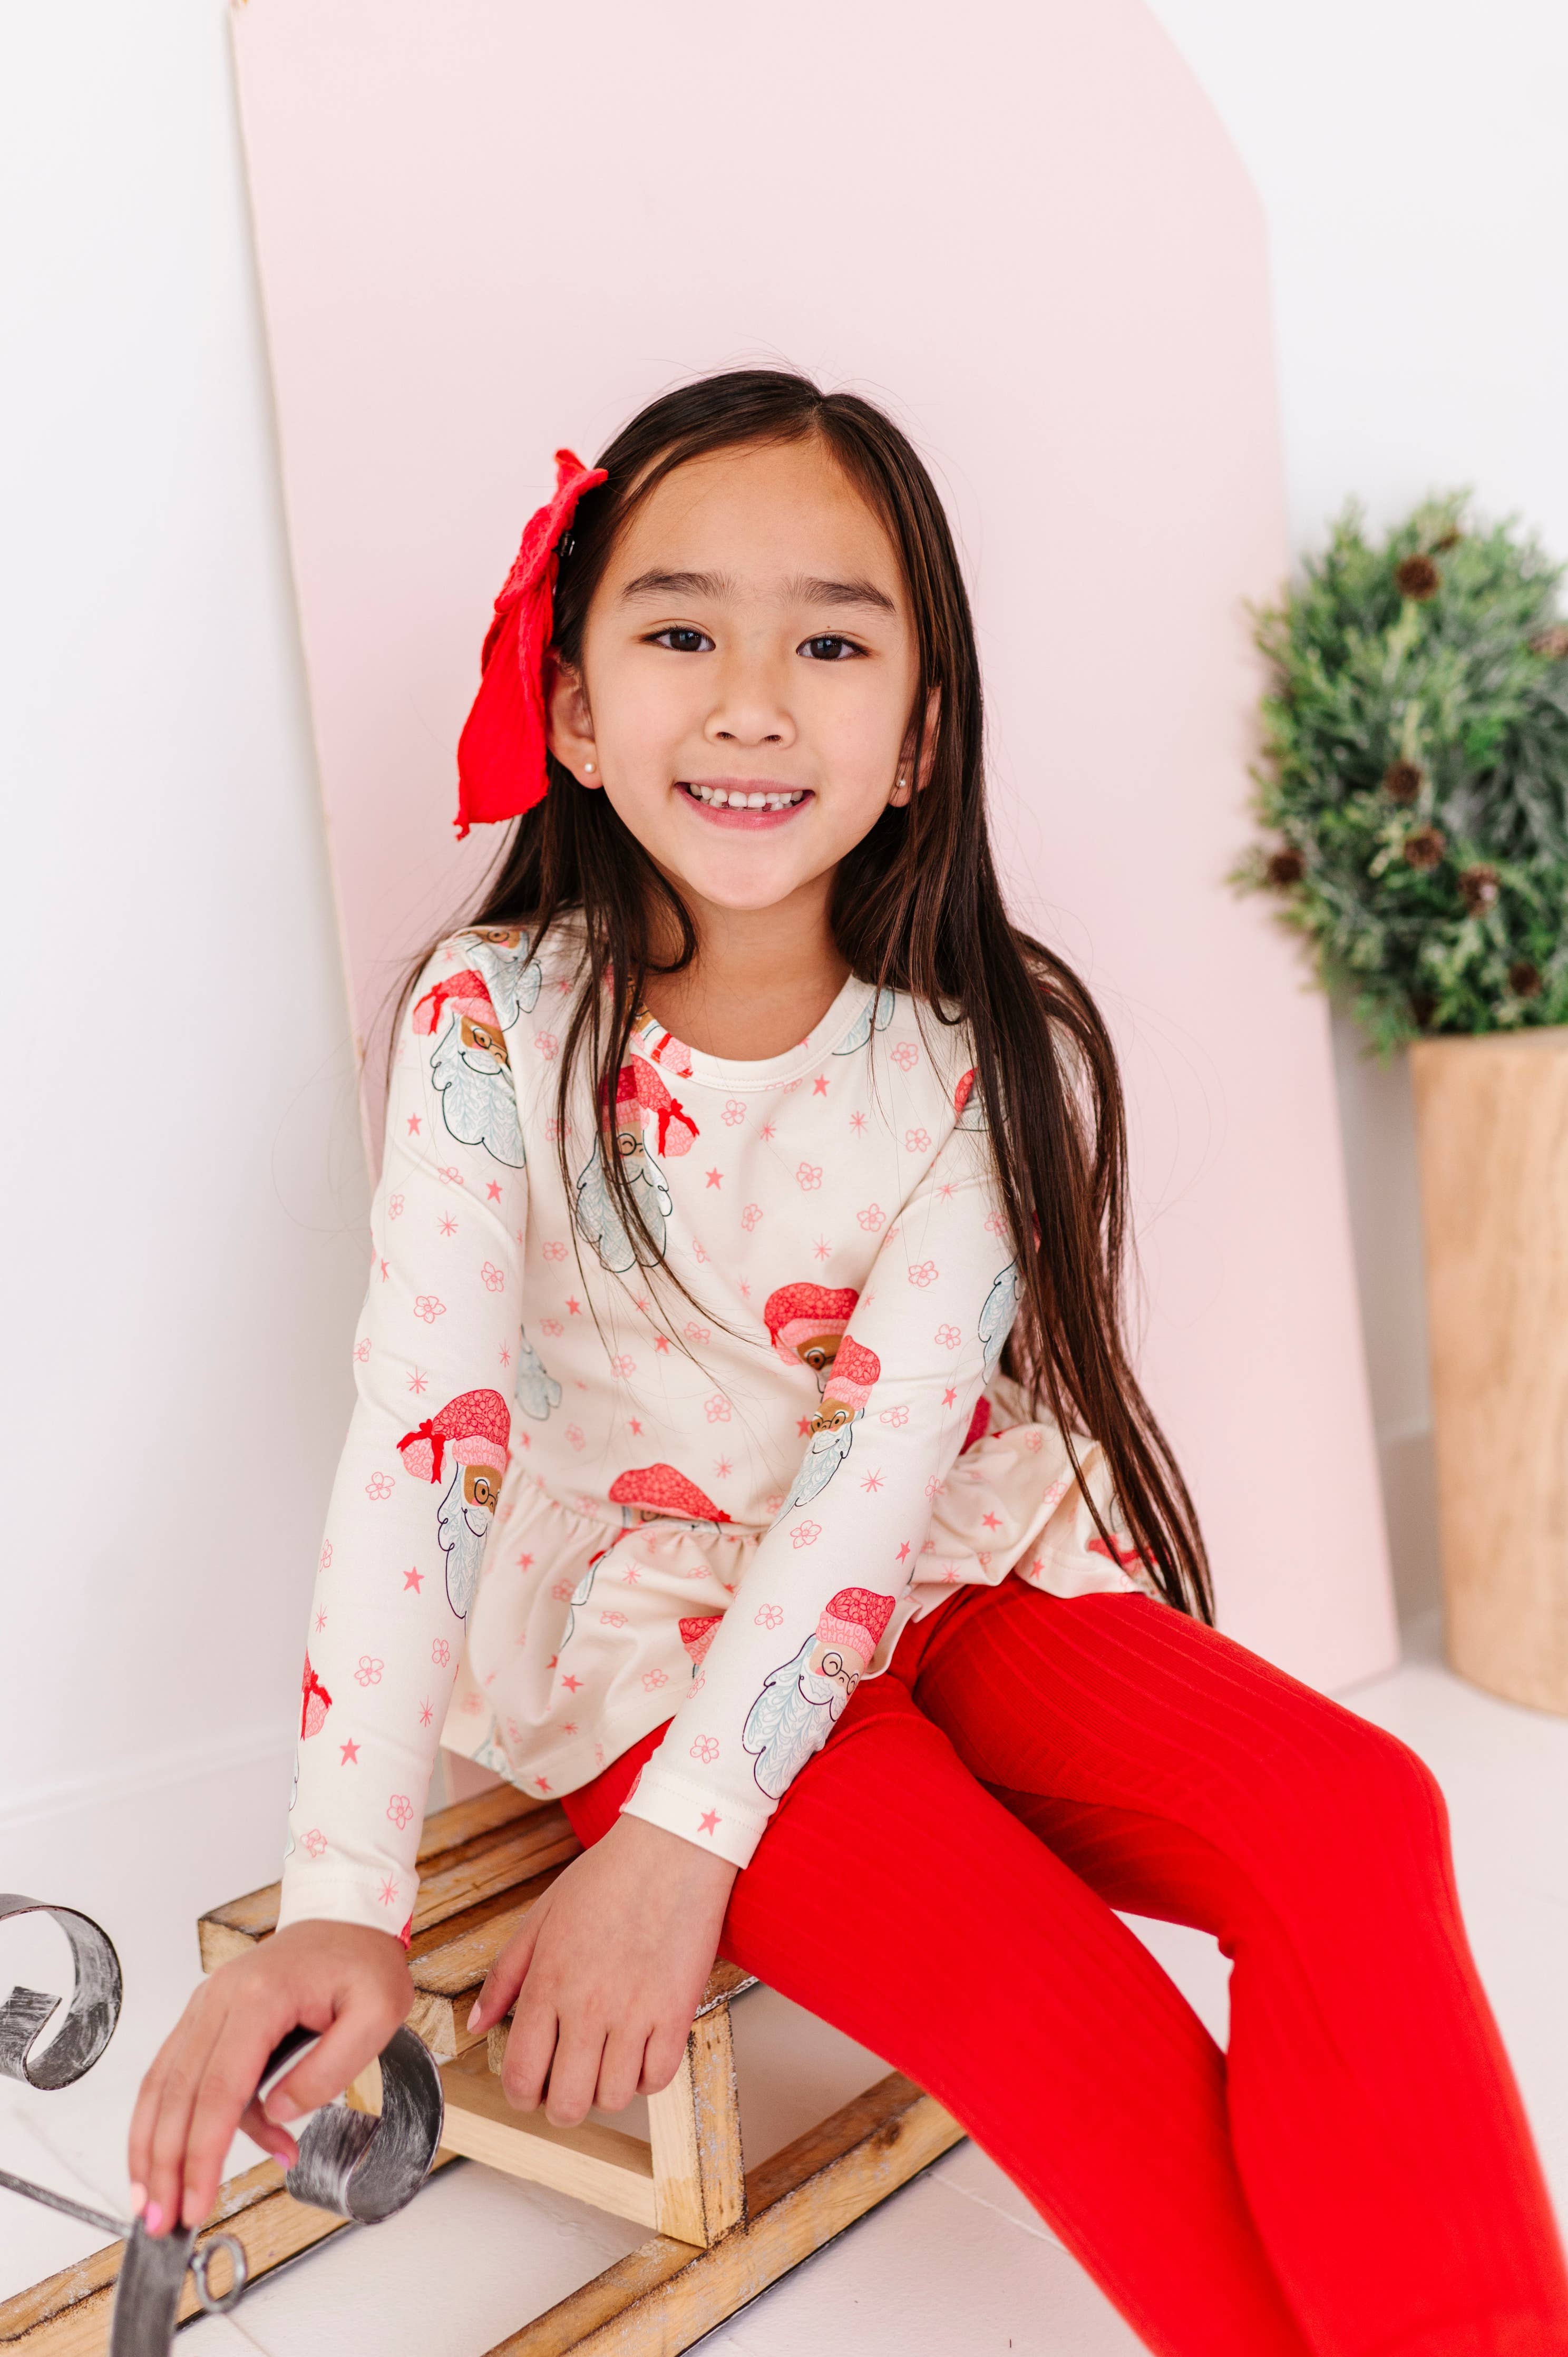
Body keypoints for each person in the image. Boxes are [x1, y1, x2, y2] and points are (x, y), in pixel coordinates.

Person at [128, 371, 1568, 2355]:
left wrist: (677, 1857)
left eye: (828, 643)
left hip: (936, 1560)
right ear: (572, 708)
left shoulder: (979, 1051)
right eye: (681, 633)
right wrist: (346, 1897)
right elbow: (419, 1453)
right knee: (1051, 2001)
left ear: (919, 737)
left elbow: (881, 1474)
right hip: (653, 1639)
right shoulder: (490, 1024)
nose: (752, 701)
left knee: (1361, 1815)